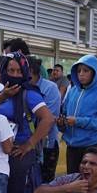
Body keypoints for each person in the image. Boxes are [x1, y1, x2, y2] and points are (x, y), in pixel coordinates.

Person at [0, 52, 55, 193]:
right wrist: (2, 97)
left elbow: (48, 119)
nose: (13, 75)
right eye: (10, 70)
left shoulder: (29, 94)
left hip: (19, 155)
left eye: (18, 71)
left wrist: (29, 144)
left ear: (25, 72)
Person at [58, 54, 97, 175]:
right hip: (72, 147)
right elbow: (64, 113)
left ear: (94, 73)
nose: (81, 74)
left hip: (93, 147)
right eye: (78, 71)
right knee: (73, 183)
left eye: (86, 70)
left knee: (91, 185)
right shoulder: (72, 91)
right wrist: (61, 123)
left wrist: (78, 121)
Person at [29, 55, 63, 184]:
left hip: (46, 144)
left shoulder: (50, 88)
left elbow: (48, 118)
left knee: (45, 183)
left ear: (33, 71)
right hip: (27, 142)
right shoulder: (22, 86)